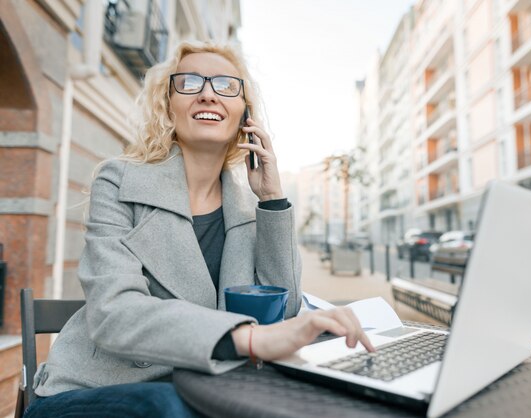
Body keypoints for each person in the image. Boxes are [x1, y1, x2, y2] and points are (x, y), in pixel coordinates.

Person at [24, 41, 374, 418]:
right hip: (95, 392)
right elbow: (115, 314)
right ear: (167, 105)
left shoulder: (248, 208)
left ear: (245, 116)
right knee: (171, 407)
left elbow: (282, 311)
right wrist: (250, 338)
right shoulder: (119, 181)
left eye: (226, 85)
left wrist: (272, 200)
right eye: (190, 83)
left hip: (207, 390)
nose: (208, 94)